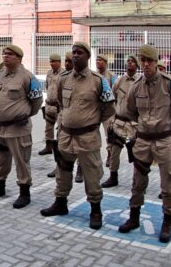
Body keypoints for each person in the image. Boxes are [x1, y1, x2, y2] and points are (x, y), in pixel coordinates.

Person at [118, 44, 171, 243]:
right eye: (143, 60)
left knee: (168, 185)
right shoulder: (136, 86)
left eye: (149, 60)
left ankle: (167, 222)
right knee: (137, 183)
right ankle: (134, 218)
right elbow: (129, 111)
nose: (146, 64)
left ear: (156, 62)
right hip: (142, 142)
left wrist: (168, 125)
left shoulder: (170, 84)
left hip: (164, 140)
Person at [41, 42, 115, 230]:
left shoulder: (99, 81)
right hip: (66, 136)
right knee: (63, 171)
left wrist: (90, 123)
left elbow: (108, 109)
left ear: (87, 56)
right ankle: (60, 202)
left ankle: (95, 210)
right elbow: (60, 103)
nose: (75, 56)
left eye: (79, 53)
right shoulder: (64, 79)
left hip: (87, 138)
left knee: (92, 175)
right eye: (73, 52)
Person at [0, 45, 43, 208]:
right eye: (4, 54)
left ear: (19, 58)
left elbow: (37, 102)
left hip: (18, 128)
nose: (5, 56)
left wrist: (24, 114)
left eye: (10, 54)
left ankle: (24, 192)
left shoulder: (28, 77)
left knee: (21, 160)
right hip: (0, 128)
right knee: (1, 159)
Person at [102, 55, 140, 188]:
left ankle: (138, 180)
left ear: (137, 65)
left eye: (132, 62)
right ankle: (113, 177)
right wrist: (112, 119)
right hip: (119, 122)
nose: (129, 64)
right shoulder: (119, 81)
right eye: (128, 61)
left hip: (134, 124)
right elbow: (113, 99)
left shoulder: (140, 82)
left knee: (137, 154)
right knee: (114, 150)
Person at [47, 51, 74, 179]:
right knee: (60, 144)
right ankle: (58, 167)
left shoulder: (90, 79)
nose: (67, 63)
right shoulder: (62, 77)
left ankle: (80, 169)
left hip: (79, 119)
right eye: (66, 61)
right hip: (63, 115)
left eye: (70, 61)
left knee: (79, 146)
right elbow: (58, 96)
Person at [97, 54, 117, 182]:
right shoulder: (94, 76)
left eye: (100, 60)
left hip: (108, 110)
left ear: (105, 62)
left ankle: (110, 154)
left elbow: (115, 92)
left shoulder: (111, 77)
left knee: (109, 134)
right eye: (96, 60)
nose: (98, 62)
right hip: (96, 109)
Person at [39, 53, 62, 156]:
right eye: (50, 61)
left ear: (59, 62)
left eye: (53, 61)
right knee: (48, 128)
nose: (51, 63)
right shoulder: (49, 73)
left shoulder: (64, 74)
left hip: (59, 107)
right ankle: (48, 147)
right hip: (49, 104)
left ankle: (60, 149)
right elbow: (48, 87)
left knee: (61, 129)